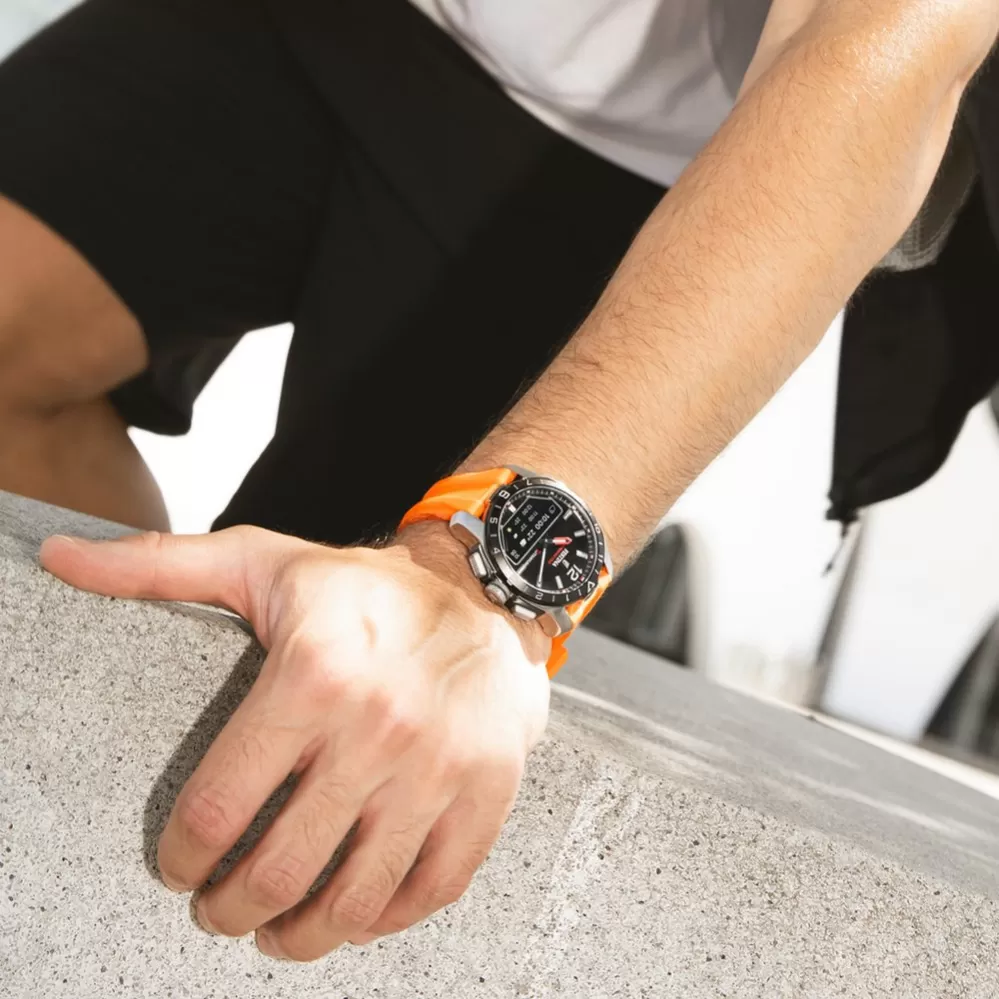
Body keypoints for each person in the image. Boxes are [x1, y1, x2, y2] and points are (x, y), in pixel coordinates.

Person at [0, 0, 994, 964]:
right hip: (319, 20)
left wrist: (471, 580)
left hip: (614, 149)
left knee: (323, 725)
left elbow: (892, 34)